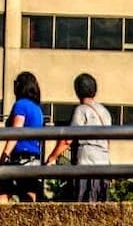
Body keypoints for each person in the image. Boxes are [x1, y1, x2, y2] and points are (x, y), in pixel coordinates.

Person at [45, 72, 112, 202]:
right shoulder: (105, 112)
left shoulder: (81, 110)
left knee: (83, 204)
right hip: (103, 165)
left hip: (86, 163)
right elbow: (108, 140)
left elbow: (67, 139)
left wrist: (51, 158)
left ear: (77, 91)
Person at [0, 71, 45, 203]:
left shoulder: (21, 105)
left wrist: (4, 155)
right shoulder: (37, 109)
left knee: (3, 193)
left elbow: (16, 132)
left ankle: (1, 216)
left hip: (20, 156)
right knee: (29, 198)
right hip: (34, 157)